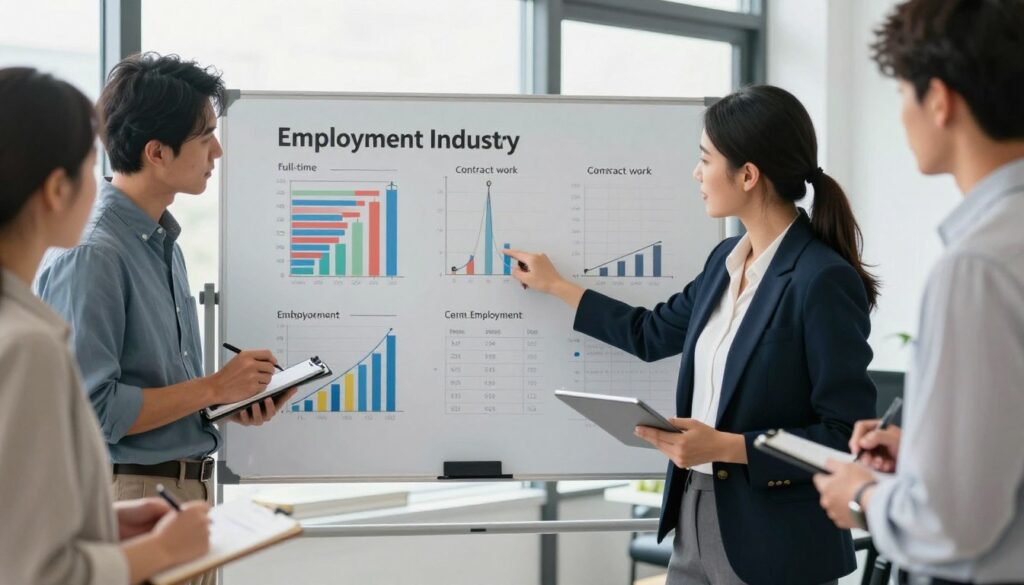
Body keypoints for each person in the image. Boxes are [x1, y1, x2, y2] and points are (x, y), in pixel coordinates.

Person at [504, 85, 877, 585]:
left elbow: (845, 435)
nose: (696, 174)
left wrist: (726, 447)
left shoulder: (821, 278)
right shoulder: (722, 264)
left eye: (705, 159)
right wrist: (557, 287)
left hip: (778, 538)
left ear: (748, 175)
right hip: (695, 512)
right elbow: (651, 333)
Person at [33, 52, 293, 570]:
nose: (216, 150)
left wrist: (225, 402)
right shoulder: (95, 254)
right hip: (130, 498)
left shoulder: (162, 242)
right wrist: (215, 388)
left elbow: (154, 387)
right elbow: (95, 410)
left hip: (182, 495)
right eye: (204, 137)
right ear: (156, 151)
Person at [813, 1, 1024, 584]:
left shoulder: (978, 264)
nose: (900, 114)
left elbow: (951, 524)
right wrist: (930, 455)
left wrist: (864, 496)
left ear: (940, 99)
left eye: (902, 92)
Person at [0, 66, 210, 585]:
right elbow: (36, 571)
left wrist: (109, 525)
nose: (100, 184)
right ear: (55, 189)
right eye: (89, 166)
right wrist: (160, 551)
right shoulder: (29, 342)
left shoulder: (161, 244)